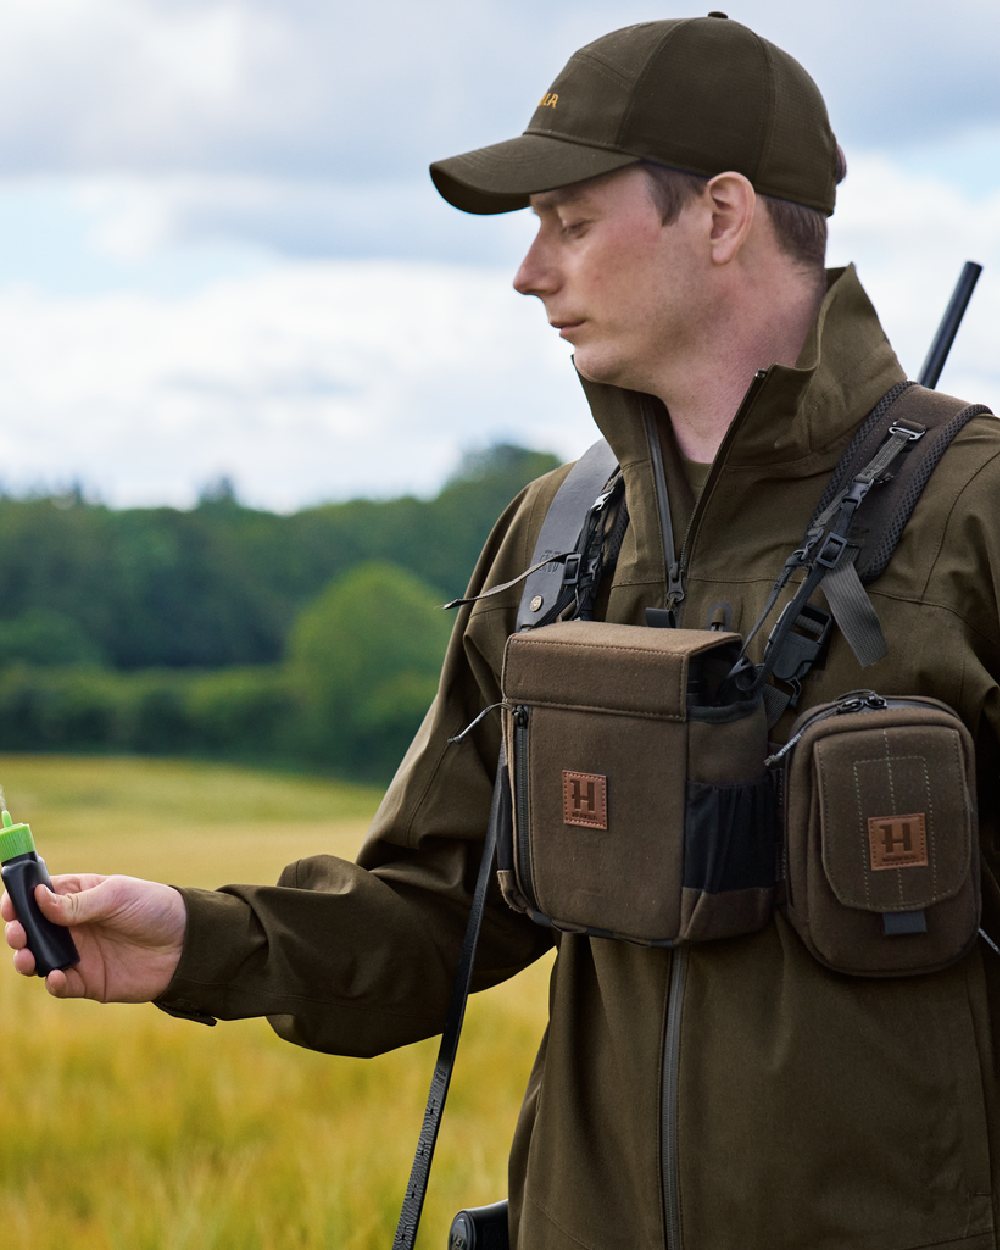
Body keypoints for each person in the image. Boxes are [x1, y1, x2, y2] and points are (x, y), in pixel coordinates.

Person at [5, 13, 1000, 1249]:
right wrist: (200, 940)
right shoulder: (557, 532)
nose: (529, 271)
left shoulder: (974, 515)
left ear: (723, 214)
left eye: (571, 222)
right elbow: (439, 904)